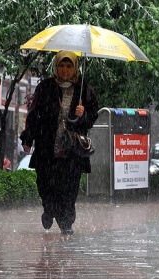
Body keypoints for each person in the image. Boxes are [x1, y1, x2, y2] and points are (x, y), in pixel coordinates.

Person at [20, 50, 99, 235]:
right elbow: (34, 114)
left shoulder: (84, 90)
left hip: (72, 151)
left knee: (69, 189)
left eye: (69, 66)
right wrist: (28, 138)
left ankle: (66, 223)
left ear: (75, 68)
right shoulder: (45, 87)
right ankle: (49, 209)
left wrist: (83, 114)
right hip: (47, 147)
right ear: (56, 67)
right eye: (62, 66)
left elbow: (91, 119)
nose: (65, 70)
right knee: (45, 185)